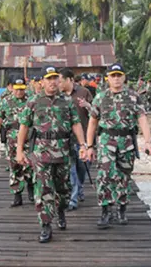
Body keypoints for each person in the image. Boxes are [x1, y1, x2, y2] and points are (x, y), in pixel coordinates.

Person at [16, 66, 86, 243]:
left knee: (63, 189)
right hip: (41, 153)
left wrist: (83, 145)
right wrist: (19, 151)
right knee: (43, 189)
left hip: (63, 152)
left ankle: (61, 210)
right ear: (42, 82)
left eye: (55, 78)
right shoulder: (33, 102)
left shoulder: (67, 102)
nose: (52, 81)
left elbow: (76, 124)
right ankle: (46, 225)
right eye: (48, 78)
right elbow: (24, 126)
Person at [86, 63, 151, 229]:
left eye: (119, 75)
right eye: (113, 75)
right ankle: (105, 210)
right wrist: (89, 146)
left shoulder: (133, 97)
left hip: (126, 142)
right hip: (106, 141)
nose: (116, 78)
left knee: (124, 176)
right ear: (107, 78)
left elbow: (142, 118)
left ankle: (122, 208)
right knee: (104, 176)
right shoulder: (100, 97)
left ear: (124, 77)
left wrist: (148, 141)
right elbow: (93, 122)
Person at [0, 77, 34, 207]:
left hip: (29, 138)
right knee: (14, 166)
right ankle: (17, 195)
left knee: (30, 165)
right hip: (12, 138)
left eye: (21, 89)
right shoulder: (6, 102)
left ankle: (31, 190)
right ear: (12, 88)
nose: (19, 92)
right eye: (17, 89)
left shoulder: (31, 101)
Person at [59, 68, 93, 211]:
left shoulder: (84, 92)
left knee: (82, 169)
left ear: (70, 80)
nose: (58, 84)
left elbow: (96, 114)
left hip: (83, 139)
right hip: (66, 140)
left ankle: (79, 189)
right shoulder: (57, 96)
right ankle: (73, 200)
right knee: (71, 171)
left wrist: (87, 106)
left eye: (61, 81)